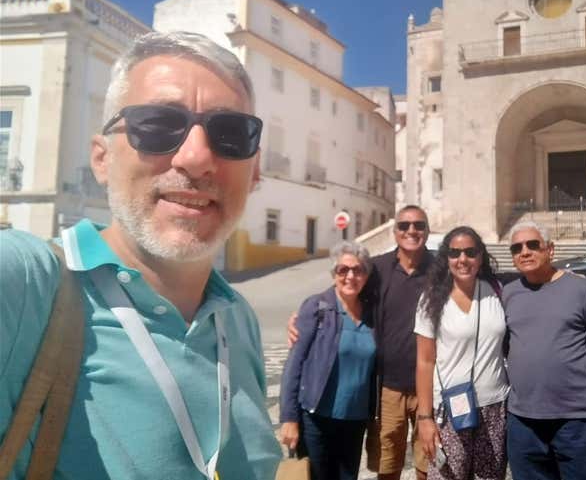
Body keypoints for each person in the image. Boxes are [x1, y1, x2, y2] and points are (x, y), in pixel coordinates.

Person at [0, 31, 282, 479]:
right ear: (102, 158)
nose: (196, 157)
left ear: (255, 171)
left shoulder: (237, 318)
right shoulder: (29, 285)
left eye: (230, 134)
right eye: (157, 125)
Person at [288, 204, 434, 479]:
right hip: (387, 388)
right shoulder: (378, 268)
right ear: (394, 231)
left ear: (428, 230)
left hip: (431, 386)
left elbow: (475, 279)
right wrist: (306, 312)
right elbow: (345, 285)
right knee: (387, 467)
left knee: (429, 466)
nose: (411, 231)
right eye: (404, 225)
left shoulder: (441, 269)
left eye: (419, 225)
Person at [503, 221, 586, 480]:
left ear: (550, 250)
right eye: (517, 248)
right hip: (523, 420)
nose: (524, 252)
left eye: (533, 245)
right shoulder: (508, 293)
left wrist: (577, 381)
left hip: (576, 419)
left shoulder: (582, 289)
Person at [415, 226, 510, 480]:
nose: (463, 259)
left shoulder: (497, 291)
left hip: (493, 407)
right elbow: (425, 361)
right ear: (446, 257)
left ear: (481, 256)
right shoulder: (431, 299)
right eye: (455, 252)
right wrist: (424, 418)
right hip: (449, 410)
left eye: (470, 252)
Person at [279, 241, 376, 480]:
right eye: (343, 270)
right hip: (316, 418)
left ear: (366, 276)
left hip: (354, 421)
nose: (350, 276)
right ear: (334, 274)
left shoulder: (373, 313)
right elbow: (295, 363)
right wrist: (289, 418)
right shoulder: (317, 306)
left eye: (358, 270)